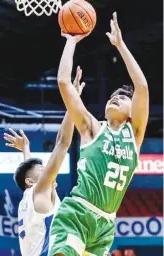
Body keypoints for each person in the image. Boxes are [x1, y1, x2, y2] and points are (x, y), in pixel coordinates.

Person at [49, 12, 149, 256]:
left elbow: (142, 87)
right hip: (77, 214)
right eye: (113, 96)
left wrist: (120, 45)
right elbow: (63, 82)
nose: (116, 98)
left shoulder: (134, 134)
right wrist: (70, 42)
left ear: (130, 113)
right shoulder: (92, 128)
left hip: (105, 225)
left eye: (123, 98)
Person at [3, 67, 85, 256]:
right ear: (31, 181)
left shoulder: (30, 195)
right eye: (43, 169)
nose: (48, 169)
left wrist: (26, 150)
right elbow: (63, 142)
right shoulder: (38, 190)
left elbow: (30, 173)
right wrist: (73, 99)